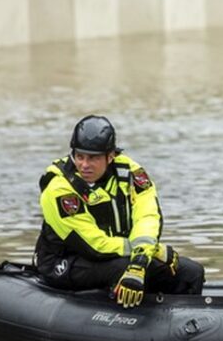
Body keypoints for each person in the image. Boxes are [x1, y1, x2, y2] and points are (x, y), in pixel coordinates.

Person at [34, 115, 204, 308]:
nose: (84, 164)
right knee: (124, 269)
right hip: (66, 261)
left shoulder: (131, 173)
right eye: (79, 156)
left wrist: (141, 257)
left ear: (111, 155)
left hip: (119, 253)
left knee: (191, 272)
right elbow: (93, 245)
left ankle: (181, 325)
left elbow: (147, 217)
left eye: (93, 158)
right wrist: (150, 252)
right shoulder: (59, 188)